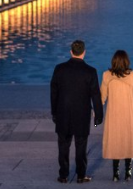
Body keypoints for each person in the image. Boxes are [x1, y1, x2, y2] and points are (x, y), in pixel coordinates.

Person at [50, 40, 103, 184]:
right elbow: (95, 95)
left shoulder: (59, 69)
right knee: (81, 146)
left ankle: (63, 175)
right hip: (82, 114)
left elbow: (54, 92)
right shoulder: (90, 71)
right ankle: (81, 175)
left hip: (63, 113)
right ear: (84, 52)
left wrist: (54, 112)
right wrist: (99, 115)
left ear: (71, 52)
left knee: (63, 146)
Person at [100, 50, 133, 182]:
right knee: (128, 142)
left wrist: (96, 113)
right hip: (130, 115)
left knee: (116, 143)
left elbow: (102, 97)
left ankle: (115, 173)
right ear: (127, 61)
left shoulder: (107, 75)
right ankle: (128, 172)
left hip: (113, 115)